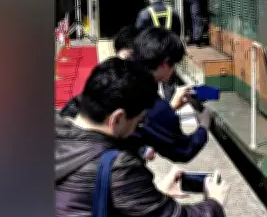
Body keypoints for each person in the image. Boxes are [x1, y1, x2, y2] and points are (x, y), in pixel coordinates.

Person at [55, 57, 228, 217]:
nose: (138, 127)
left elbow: (78, 206)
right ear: (117, 119)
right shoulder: (117, 167)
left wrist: (153, 194)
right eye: (138, 121)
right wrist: (214, 204)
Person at [59, 27, 212, 164]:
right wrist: (203, 126)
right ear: (165, 63)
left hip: (68, 151)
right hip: (108, 171)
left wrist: (170, 107)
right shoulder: (153, 104)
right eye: (174, 65)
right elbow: (182, 150)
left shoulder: (112, 72)